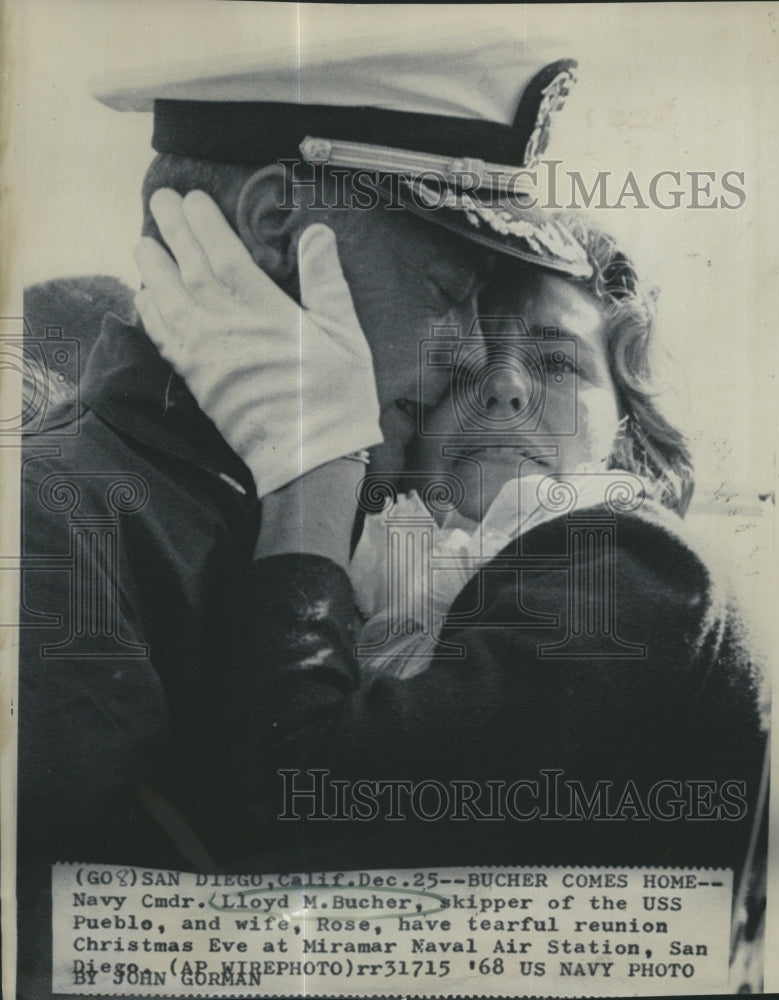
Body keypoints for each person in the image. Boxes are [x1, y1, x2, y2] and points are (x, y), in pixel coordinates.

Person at [16, 33, 595, 995]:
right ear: (278, 223)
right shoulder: (46, 521)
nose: (469, 353)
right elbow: (86, 956)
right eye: (444, 290)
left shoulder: (372, 509)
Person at [135, 196, 769, 891]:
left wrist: (312, 463)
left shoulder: (645, 571)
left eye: (556, 363)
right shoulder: (362, 571)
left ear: (625, 430)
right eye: (463, 369)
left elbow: (284, 800)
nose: (502, 387)